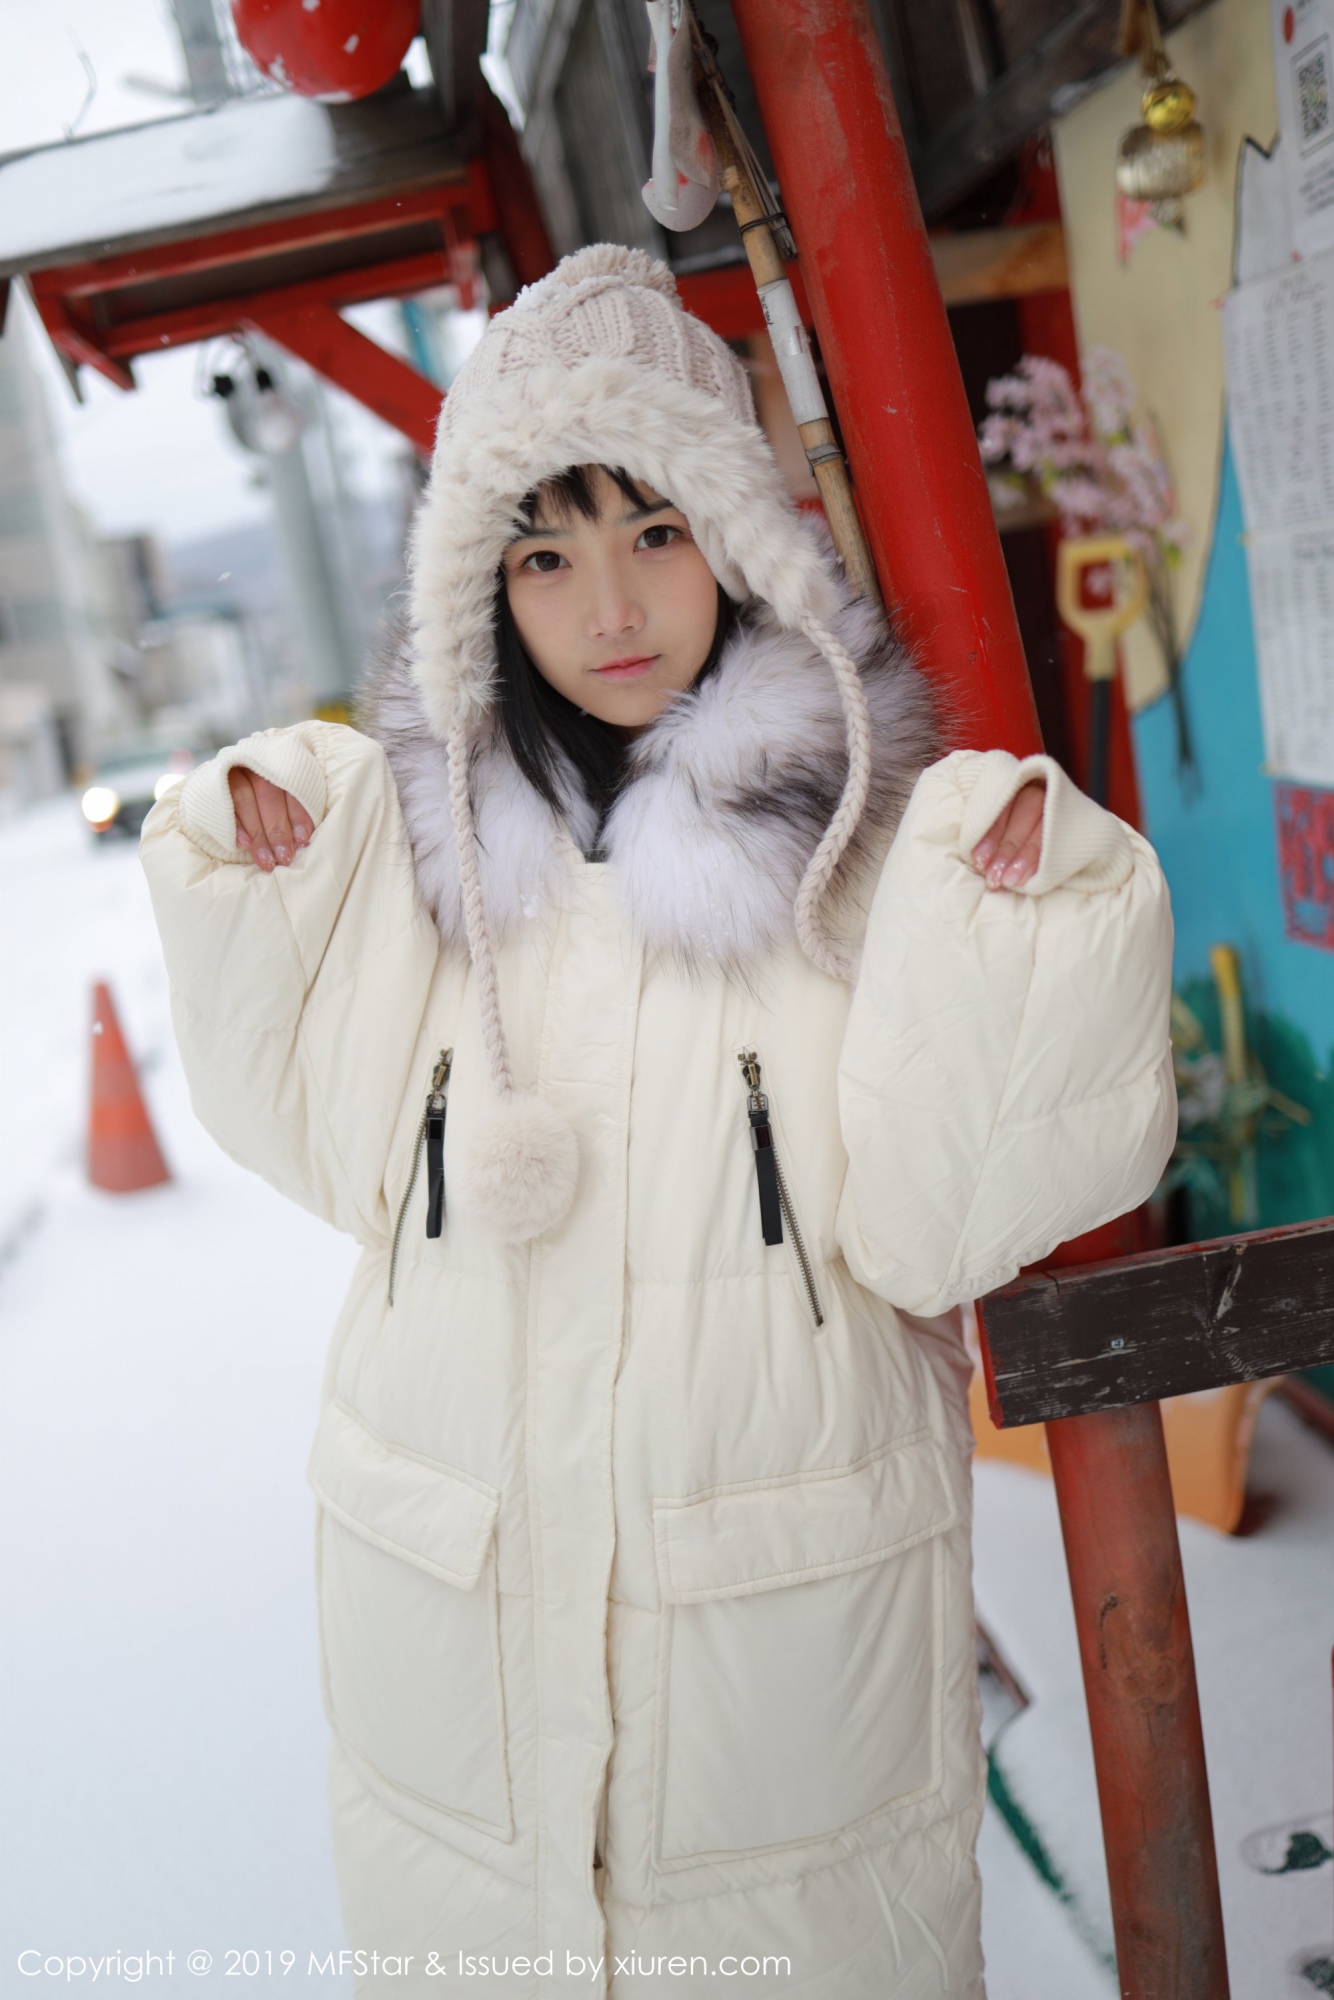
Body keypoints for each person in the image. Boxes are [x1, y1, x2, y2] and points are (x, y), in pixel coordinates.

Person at [141, 244, 1175, 1998]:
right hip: (455, 1664)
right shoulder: (426, 868)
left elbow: (938, 1223)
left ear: (738, 540)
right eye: (543, 556)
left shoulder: (860, 852)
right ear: (479, 587)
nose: (608, 605)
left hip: (775, 1686)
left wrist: (1024, 935)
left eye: (655, 530)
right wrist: (266, 885)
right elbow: (313, 1139)